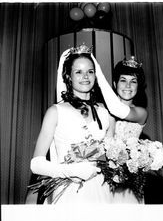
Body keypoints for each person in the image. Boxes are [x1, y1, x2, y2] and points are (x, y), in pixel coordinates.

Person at [30, 45, 113, 204]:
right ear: (68, 76)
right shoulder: (56, 112)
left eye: (90, 71)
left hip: (101, 191)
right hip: (69, 192)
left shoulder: (104, 112)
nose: (86, 77)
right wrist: (72, 171)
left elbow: (110, 156)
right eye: (78, 72)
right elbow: (36, 164)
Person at [92, 54, 148, 203]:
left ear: (138, 86)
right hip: (101, 178)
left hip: (130, 183)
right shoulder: (100, 109)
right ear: (115, 84)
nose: (128, 86)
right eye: (123, 80)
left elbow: (117, 110)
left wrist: (98, 71)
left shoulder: (141, 113)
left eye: (133, 81)